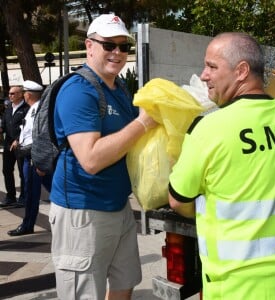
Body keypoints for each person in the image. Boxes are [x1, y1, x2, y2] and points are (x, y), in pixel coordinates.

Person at [168, 32, 275, 299]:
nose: (204, 75)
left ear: (241, 71)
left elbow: (178, 200)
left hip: (235, 285)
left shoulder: (208, 129)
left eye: (212, 66)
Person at [49, 14, 156, 300]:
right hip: (82, 213)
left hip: (118, 206)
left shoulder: (118, 88)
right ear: (89, 46)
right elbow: (91, 159)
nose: (118, 53)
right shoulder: (78, 90)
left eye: (125, 47)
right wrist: (143, 123)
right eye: (109, 45)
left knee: (125, 283)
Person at [7, 80, 52, 236]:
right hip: (31, 156)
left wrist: (39, 159)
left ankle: (27, 224)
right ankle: (28, 223)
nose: (24, 95)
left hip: (34, 157)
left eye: (24, 92)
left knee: (31, 192)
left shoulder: (38, 110)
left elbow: (40, 135)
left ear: (28, 94)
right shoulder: (34, 109)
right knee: (47, 188)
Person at [0, 85, 29, 207]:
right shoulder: (8, 109)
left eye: (13, 94)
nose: (10, 96)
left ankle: (24, 198)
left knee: (23, 173)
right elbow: (5, 125)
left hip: (21, 145)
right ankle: (10, 197)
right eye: (10, 94)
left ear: (20, 94)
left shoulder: (27, 108)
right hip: (8, 145)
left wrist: (18, 140)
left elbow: (28, 127)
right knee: (6, 170)